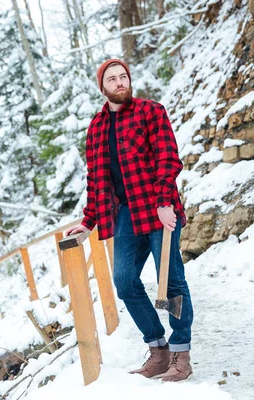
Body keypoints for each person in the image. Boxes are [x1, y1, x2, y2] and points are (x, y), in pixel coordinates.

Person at [64, 59, 193, 382]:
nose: (120, 82)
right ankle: (158, 348)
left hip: (158, 208)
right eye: (112, 79)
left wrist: (165, 201)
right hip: (125, 216)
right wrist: (88, 222)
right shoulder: (96, 127)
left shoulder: (151, 111)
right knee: (124, 281)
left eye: (124, 76)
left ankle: (181, 352)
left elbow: (167, 157)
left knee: (172, 282)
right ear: (102, 87)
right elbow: (97, 179)